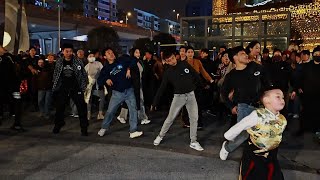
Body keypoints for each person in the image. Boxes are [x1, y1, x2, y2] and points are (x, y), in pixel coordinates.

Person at [223, 87, 287, 180]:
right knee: (253, 175)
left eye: (283, 97)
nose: (282, 100)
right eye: (278, 97)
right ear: (266, 100)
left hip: (272, 154)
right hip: (255, 154)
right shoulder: (257, 115)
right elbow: (241, 125)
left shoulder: (282, 119)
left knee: (274, 174)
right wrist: (229, 135)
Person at [219, 46, 270, 160]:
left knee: (262, 131)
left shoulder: (256, 67)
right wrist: (231, 106)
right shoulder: (231, 75)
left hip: (261, 106)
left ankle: (259, 155)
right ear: (235, 57)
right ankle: (227, 147)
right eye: (242, 53)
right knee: (243, 134)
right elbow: (223, 92)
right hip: (244, 107)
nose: (246, 55)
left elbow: (267, 82)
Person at [152, 50, 204, 151]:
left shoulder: (184, 64)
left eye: (172, 58)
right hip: (178, 97)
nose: (172, 61)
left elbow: (195, 74)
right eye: (169, 60)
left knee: (194, 118)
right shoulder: (168, 73)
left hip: (191, 95)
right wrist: (155, 102)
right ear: (166, 62)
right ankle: (160, 136)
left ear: (175, 56)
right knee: (170, 118)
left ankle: (193, 141)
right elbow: (162, 88)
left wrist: (199, 86)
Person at [97, 48, 143, 138]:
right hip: (117, 93)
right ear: (105, 57)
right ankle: (104, 127)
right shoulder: (106, 68)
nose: (111, 54)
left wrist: (129, 68)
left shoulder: (122, 60)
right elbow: (99, 80)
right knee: (110, 111)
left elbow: (134, 60)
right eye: (108, 53)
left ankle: (133, 131)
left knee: (133, 110)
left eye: (112, 52)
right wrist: (106, 79)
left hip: (129, 91)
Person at [52, 43, 89, 136]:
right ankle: (58, 124)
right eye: (66, 51)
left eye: (70, 51)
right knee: (60, 108)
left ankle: (84, 128)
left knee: (81, 108)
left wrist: (84, 86)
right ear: (63, 52)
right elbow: (56, 75)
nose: (68, 53)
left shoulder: (78, 61)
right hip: (63, 88)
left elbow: (84, 75)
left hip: (76, 87)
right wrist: (55, 87)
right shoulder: (59, 61)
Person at [0, 45, 23, 131]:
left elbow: (18, 66)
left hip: (13, 87)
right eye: (1, 47)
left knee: (17, 103)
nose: (3, 48)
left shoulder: (9, 57)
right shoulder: (7, 58)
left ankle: (17, 123)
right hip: (4, 87)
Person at [84, 50, 105, 120]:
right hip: (89, 84)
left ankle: (100, 113)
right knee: (89, 99)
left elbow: (103, 71)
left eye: (93, 56)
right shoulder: (86, 66)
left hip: (98, 83)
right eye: (90, 56)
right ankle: (88, 114)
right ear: (87, 58)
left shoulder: (99, 63)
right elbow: (84, 75)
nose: (92, 57)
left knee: (102, 97)